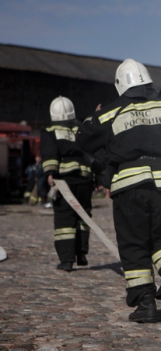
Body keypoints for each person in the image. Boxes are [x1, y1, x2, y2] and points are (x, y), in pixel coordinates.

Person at [76, 58, 161, 324]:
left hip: (129, 188)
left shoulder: (110, 112)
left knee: (134, 243)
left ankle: (145, 304)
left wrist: (94, 115)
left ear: (120, 85)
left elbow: (83, 137)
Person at [41, 96, 95, 272]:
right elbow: (93, 152)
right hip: (85, 179)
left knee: (65, 219)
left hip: (64, 181)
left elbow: (50, 153)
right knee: (83, 216)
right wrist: (99, 176)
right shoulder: (81, 129)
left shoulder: (50, 131)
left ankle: (67, 260)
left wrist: (50, 172)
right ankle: (81, 254)